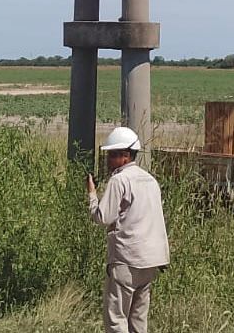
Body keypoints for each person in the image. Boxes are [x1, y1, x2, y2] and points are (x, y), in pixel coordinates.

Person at [86, 126, 170, 333]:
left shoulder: (119, 180)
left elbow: (103, 217)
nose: (108, 159)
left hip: (127, 259)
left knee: (117, 319)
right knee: (138, 321)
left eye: (113, 155)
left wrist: (92, 194)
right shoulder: (150, 180)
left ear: (125, 156)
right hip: (150, 260)